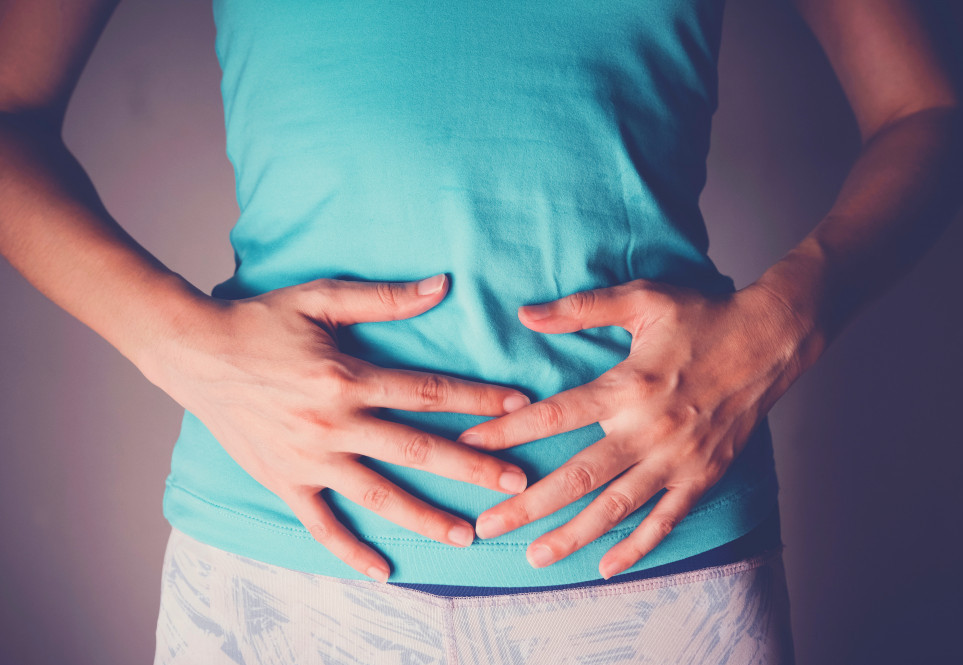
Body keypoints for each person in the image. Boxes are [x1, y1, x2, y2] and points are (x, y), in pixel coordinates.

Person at [0, 0, 959, 663]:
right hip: (283, 564)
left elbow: (927, 112)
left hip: (652, 558)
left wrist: (779, 325)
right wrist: (186, 347)